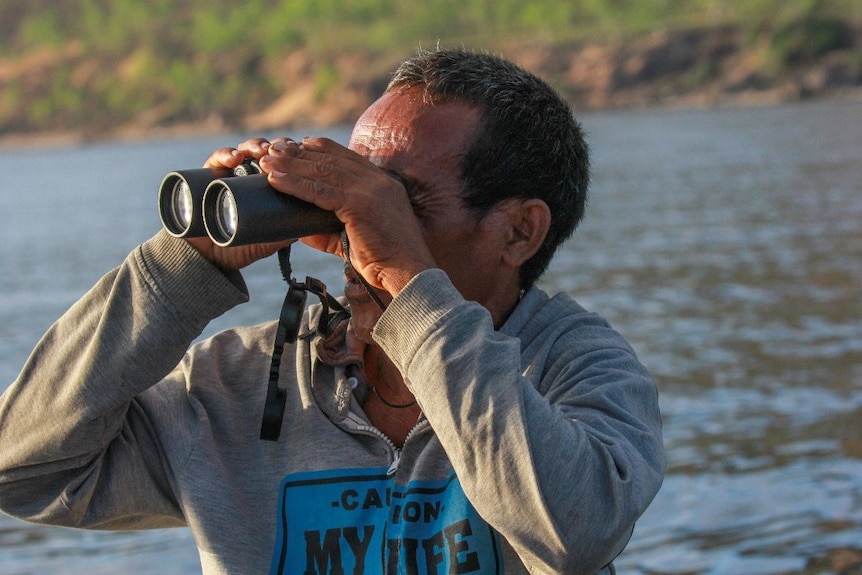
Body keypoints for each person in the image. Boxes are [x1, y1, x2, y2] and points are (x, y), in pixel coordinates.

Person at [0, 48, 664, 574]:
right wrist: (179, 271)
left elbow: (573, 532)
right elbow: (23, 471)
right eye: (352, 190)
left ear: (519, 231)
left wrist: (409, 282)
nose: (359, 224)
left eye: (401, 202)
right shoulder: (238, 384)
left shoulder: (577, 368)